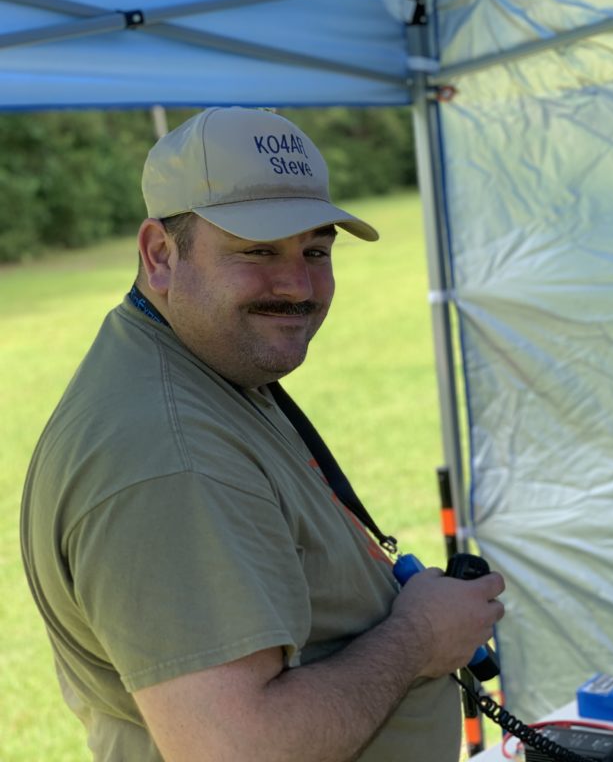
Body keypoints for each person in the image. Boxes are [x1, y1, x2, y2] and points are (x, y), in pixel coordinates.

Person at [20, 106, 505, 762]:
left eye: (316, 250)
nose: (298, 285)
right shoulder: (168, 454)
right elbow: (237, 749)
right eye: (257, 251)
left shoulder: (208, 364)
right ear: (160, 256)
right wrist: (417, 639)